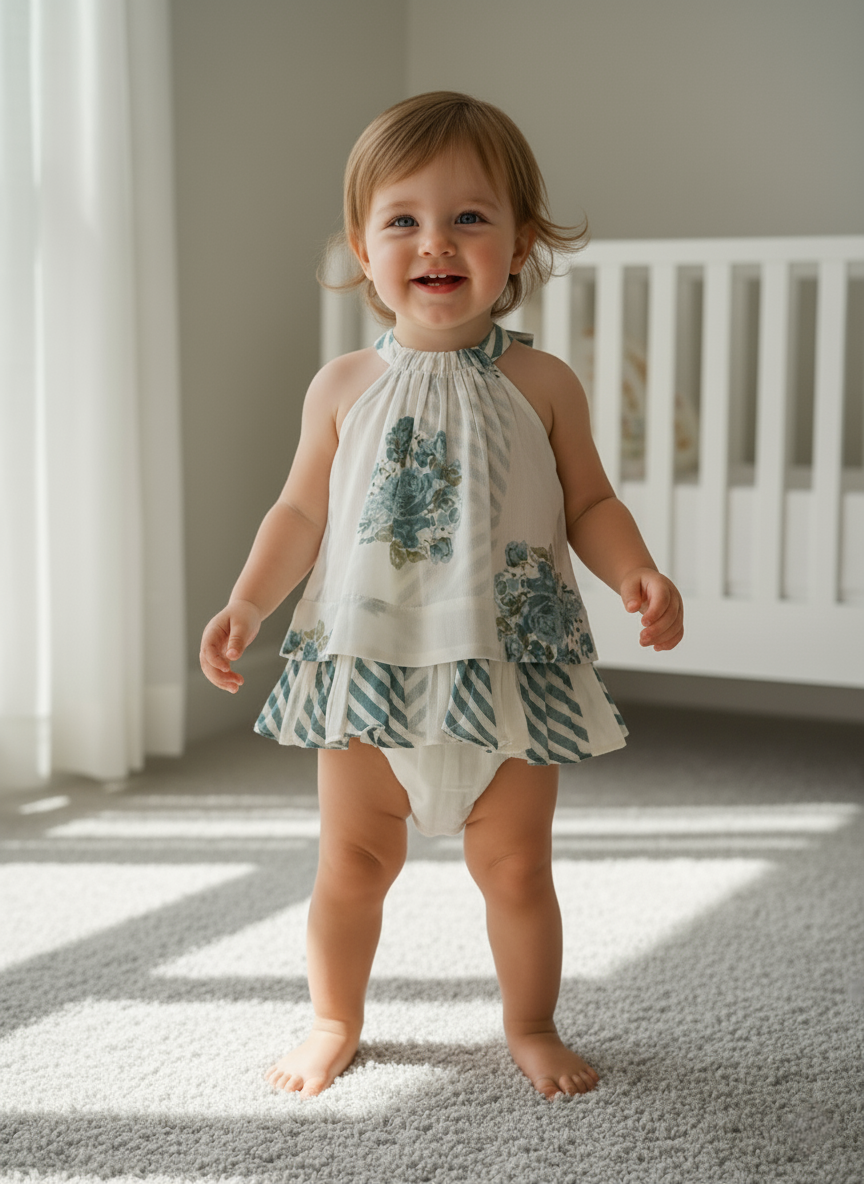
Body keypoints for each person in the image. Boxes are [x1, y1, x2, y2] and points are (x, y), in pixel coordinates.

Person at [200, 91, 684, 1102]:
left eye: (471, 216)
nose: (438, 241)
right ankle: (334, 1015)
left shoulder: (545, 381)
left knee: (516, 873)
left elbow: (589, 499)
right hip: (372, 676)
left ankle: (532, 1021)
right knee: (351, 868)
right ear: (362, 247)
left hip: (506, 675)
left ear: (520, 246)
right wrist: (248, 601)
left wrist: (633, 567)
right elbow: (298, 511)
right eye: (404, 219)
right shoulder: (340, 385)